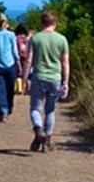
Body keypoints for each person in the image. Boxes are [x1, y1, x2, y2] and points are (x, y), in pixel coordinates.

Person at [22, 11, 69, 152]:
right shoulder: (62, 39)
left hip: (39, 76)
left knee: (35, 108)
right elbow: (65, 62)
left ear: (42, 23)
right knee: (50, 110)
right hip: (55, 78)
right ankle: (47, 141)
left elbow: (28, 60)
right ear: (55, 23)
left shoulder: (35, 39)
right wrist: (66, 82)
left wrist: (25, 79)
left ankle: (38, 128)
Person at [14, 23, 31, 94]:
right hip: (27, 56)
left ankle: (19, 88)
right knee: (27, 73)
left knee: (18, 73)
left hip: (18, 56)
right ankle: (27, 88)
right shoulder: (29, 38)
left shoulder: (16, 38)